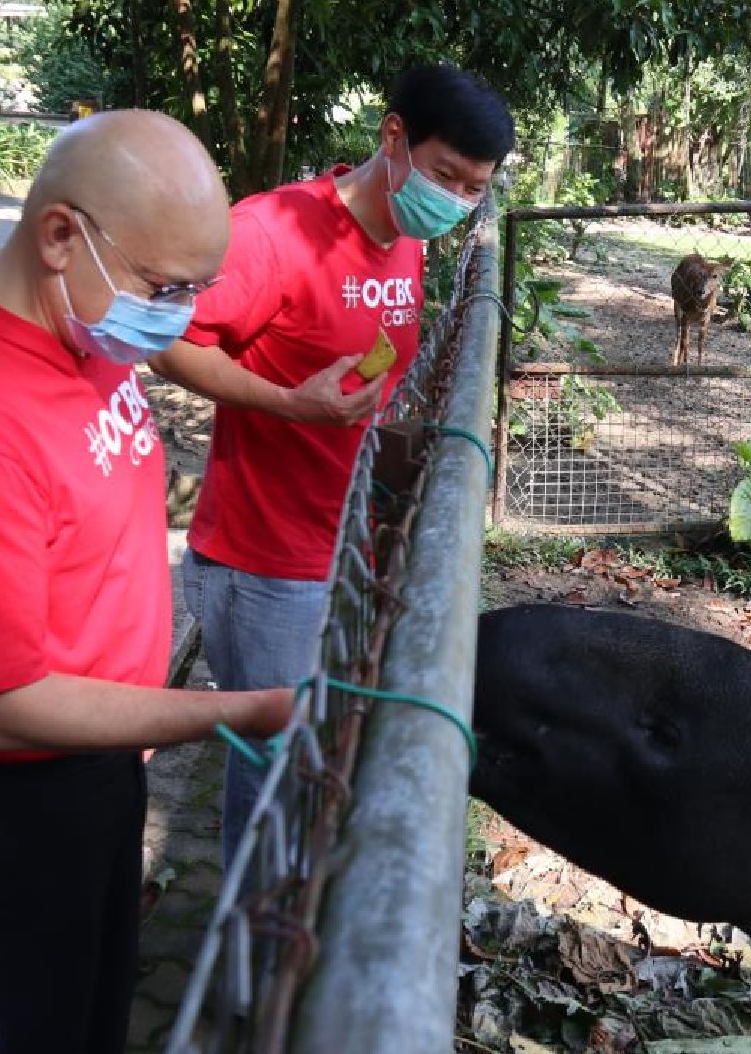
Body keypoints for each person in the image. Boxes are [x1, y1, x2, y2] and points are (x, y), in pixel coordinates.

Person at [0, 109, 296, 1054]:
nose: (177, 316)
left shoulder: (75, 326)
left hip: (94, 767)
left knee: (92, 1010)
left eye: (195, 289)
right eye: (164, 287)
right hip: (0, 809)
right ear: (61, 235)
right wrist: (244, 711)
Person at [149, 64, 515, 862]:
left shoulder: (407, 239)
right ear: (392, 138)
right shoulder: (270, 233)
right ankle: (260, 957)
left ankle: (282, 929)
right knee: (277, 777)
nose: (454, 200)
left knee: (313, 759)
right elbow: (166, 340)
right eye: (445, 175)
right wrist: (288, 402)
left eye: (473, 188)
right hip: (264, 564)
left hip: (342, 543)